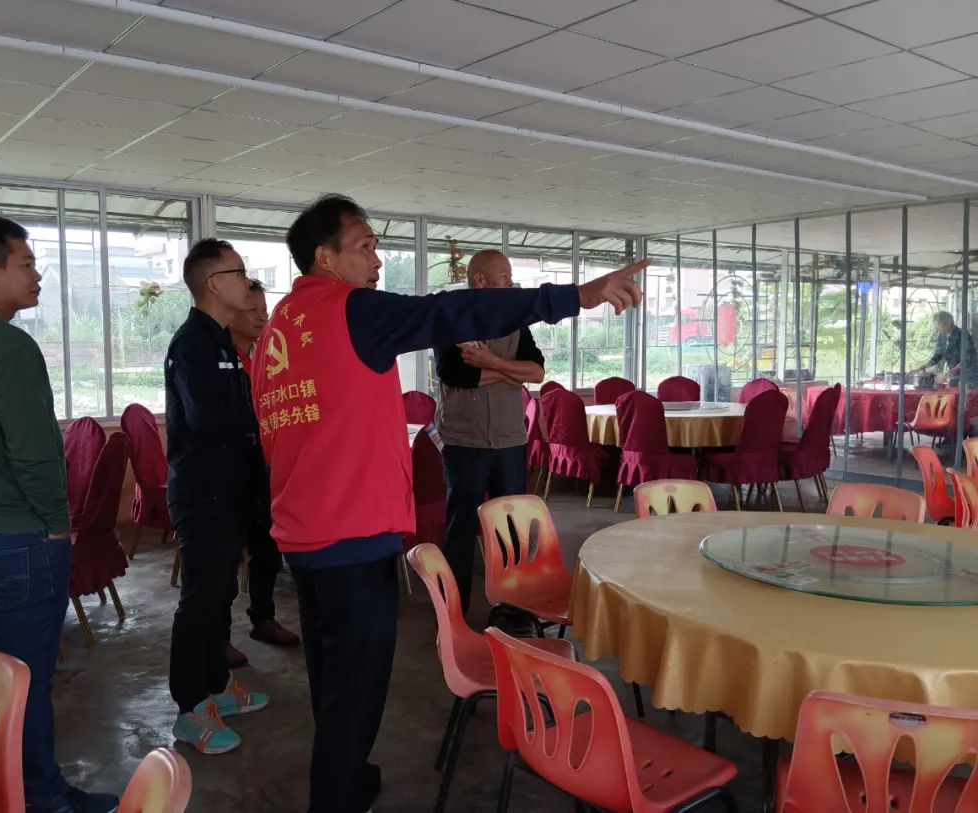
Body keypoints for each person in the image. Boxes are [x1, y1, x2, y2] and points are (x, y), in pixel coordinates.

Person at [252, 194, 646, 813]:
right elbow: (450, 311)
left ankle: (350, 776)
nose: (376, 260)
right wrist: (575, 295)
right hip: (352, 534)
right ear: (324, 257)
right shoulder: (348, 308)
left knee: (332, 675)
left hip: (303, 535)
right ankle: (335, 797)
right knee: (358, 685)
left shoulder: (277, 327)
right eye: (365, 246)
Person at [0, 216, 118, 813]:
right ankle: (42, 799)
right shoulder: (10, 346)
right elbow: (35, 453)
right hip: (18, 538)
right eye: (26, 264)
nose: (38, 275)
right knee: (25, 682)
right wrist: (58, 525)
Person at [165, 238, 270, 755]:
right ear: (213, 283)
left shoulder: (221, 341)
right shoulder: (193, 344)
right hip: (203, 492)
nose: (247, 282)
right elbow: (208, 418)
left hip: (230, 489)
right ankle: (190, 707)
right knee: (201, 601)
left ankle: (216, 686)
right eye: (239, 273)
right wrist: (268, 416)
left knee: (221, 594)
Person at [433, 249, 545, 612]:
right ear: (480, 280)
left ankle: (511, 608)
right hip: (464, 440)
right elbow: (456, 374)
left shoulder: (514, 320)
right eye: (504, 277)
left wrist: (490, 362)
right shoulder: (452, 317)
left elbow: (537, 372)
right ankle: (454, 611)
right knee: (461, 528)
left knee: (511, 528)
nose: (511, 284)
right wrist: (511, 372)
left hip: (510, 439)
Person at [222, 280, 299, 670]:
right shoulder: (220, 357)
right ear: (230, 314)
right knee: (226, 559)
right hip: (231, 474)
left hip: (264, 469)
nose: (262, 317)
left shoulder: (268, 354)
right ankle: (218, 638)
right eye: (252, 310)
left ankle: (263, 618)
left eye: (264, 310)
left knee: (267, 549)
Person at [911, 311, 977, 384]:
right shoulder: (942, 336)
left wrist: (953, 370)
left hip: (969, 375)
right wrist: (920, 369)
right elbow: (937, 356)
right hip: (955, 376)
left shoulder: (962, 335)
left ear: (947, 324)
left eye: (939, 324)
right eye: (936, 324)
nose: (937, 327)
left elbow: (967, 358)